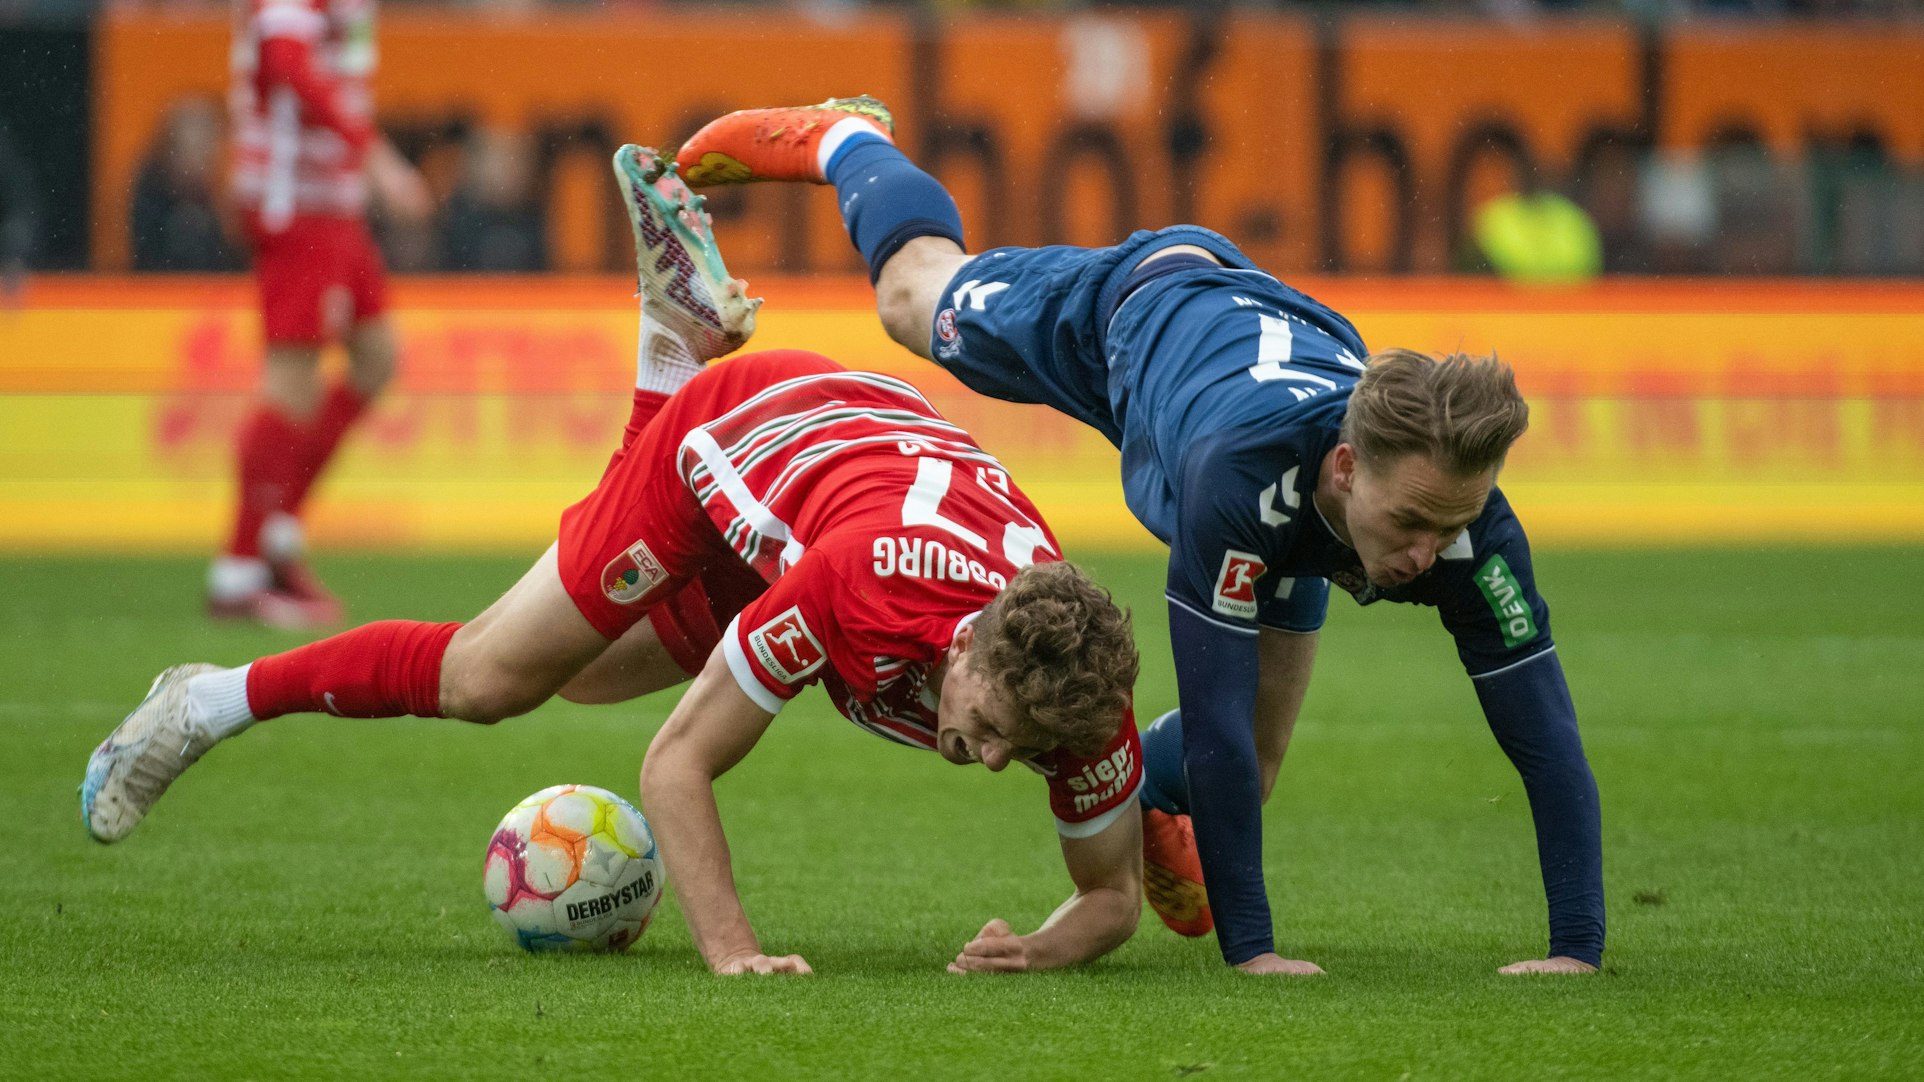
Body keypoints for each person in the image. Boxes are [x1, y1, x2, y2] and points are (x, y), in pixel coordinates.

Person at [82, 147, 1145, 977]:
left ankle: (671, 330)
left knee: (584, 670)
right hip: (735, 440)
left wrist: (1044, 944)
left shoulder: (1073, 681)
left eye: (1025, 742)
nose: (995, 760)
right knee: (489, 677)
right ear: (966, 642)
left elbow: (1111, 892)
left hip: (831, 478)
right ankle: (209, 701)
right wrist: (733, 950)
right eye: (994, 726)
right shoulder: (862, 585)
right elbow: (675, 764)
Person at [671, 98, 1604, 976]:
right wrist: (1256, 953)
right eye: (1411, 525)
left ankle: (1144, 792)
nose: (1430, 555)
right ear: (1349, 468)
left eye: (1451, 525)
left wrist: (1576, 948)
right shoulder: (1235, 487)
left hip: (1251, 381)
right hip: (1123, 314)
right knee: (913, 301)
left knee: (1257, 758)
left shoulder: (1464, 525)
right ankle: (844, 140)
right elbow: (1219, 734)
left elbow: (1545, 731)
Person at [216, 0, 433, 627]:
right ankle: (238, 570)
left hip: (332, 203)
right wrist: (379, 160)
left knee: (376, 358)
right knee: (291, 383)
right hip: (296, 204)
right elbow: (288, 62)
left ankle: (277, 531)